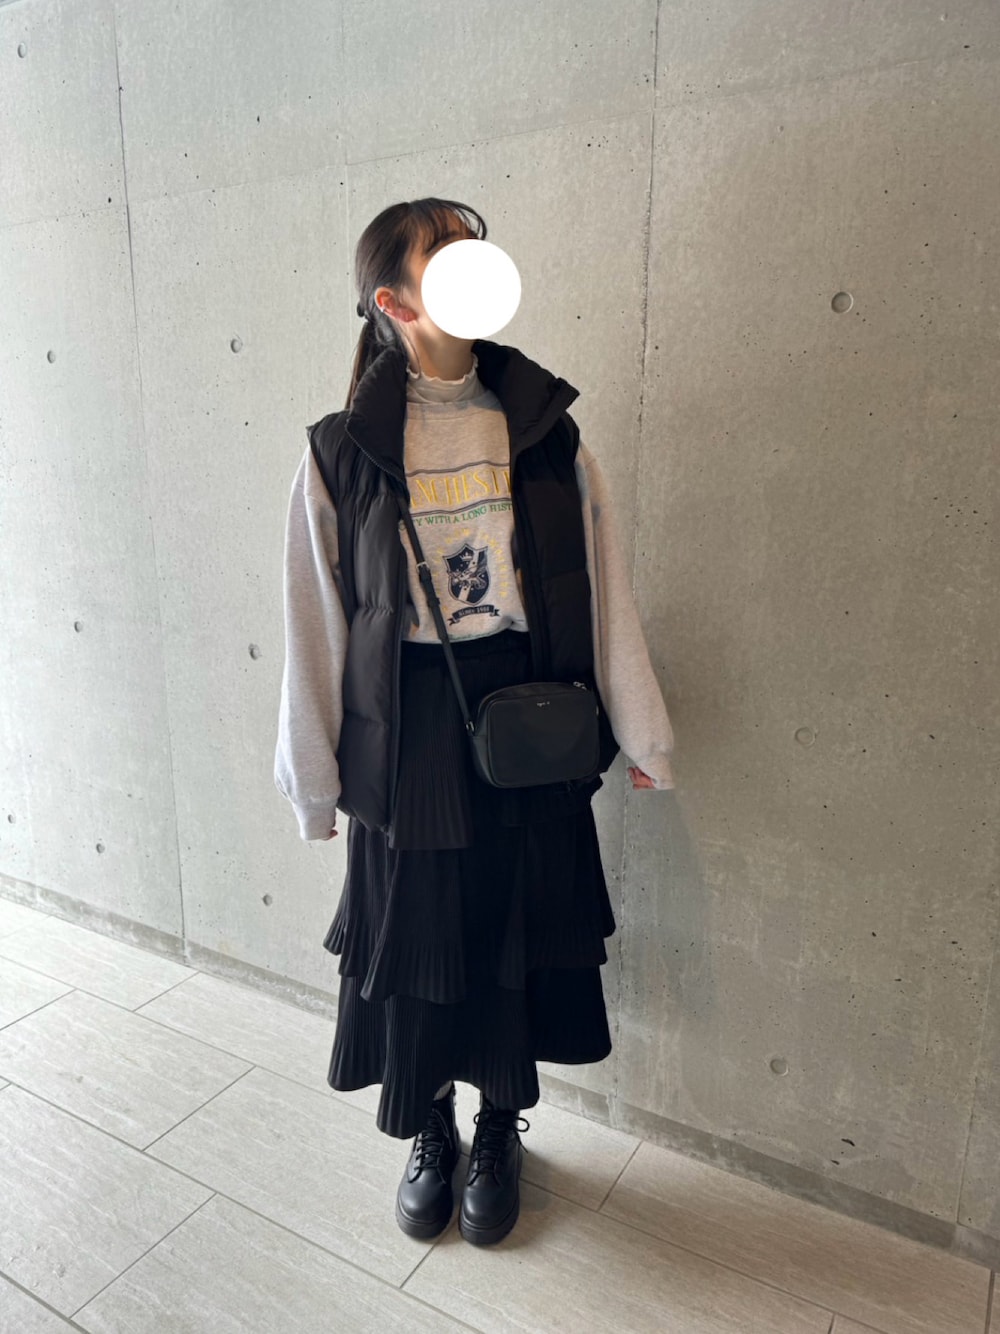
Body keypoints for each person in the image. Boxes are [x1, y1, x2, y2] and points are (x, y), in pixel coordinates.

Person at [274, 197, 674, 1247]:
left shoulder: (542, 428)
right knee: (422, 942)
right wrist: (314, 782)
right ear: (395, 300)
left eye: (473, 247)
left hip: (529, 715)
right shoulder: (341, 451)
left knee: (516, 930)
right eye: (444, 254)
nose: (471, 265)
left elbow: (602, 585)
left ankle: (500, 1125)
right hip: (407, 726)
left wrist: (643, 732)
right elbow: (315, 623)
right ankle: (433, 1128)